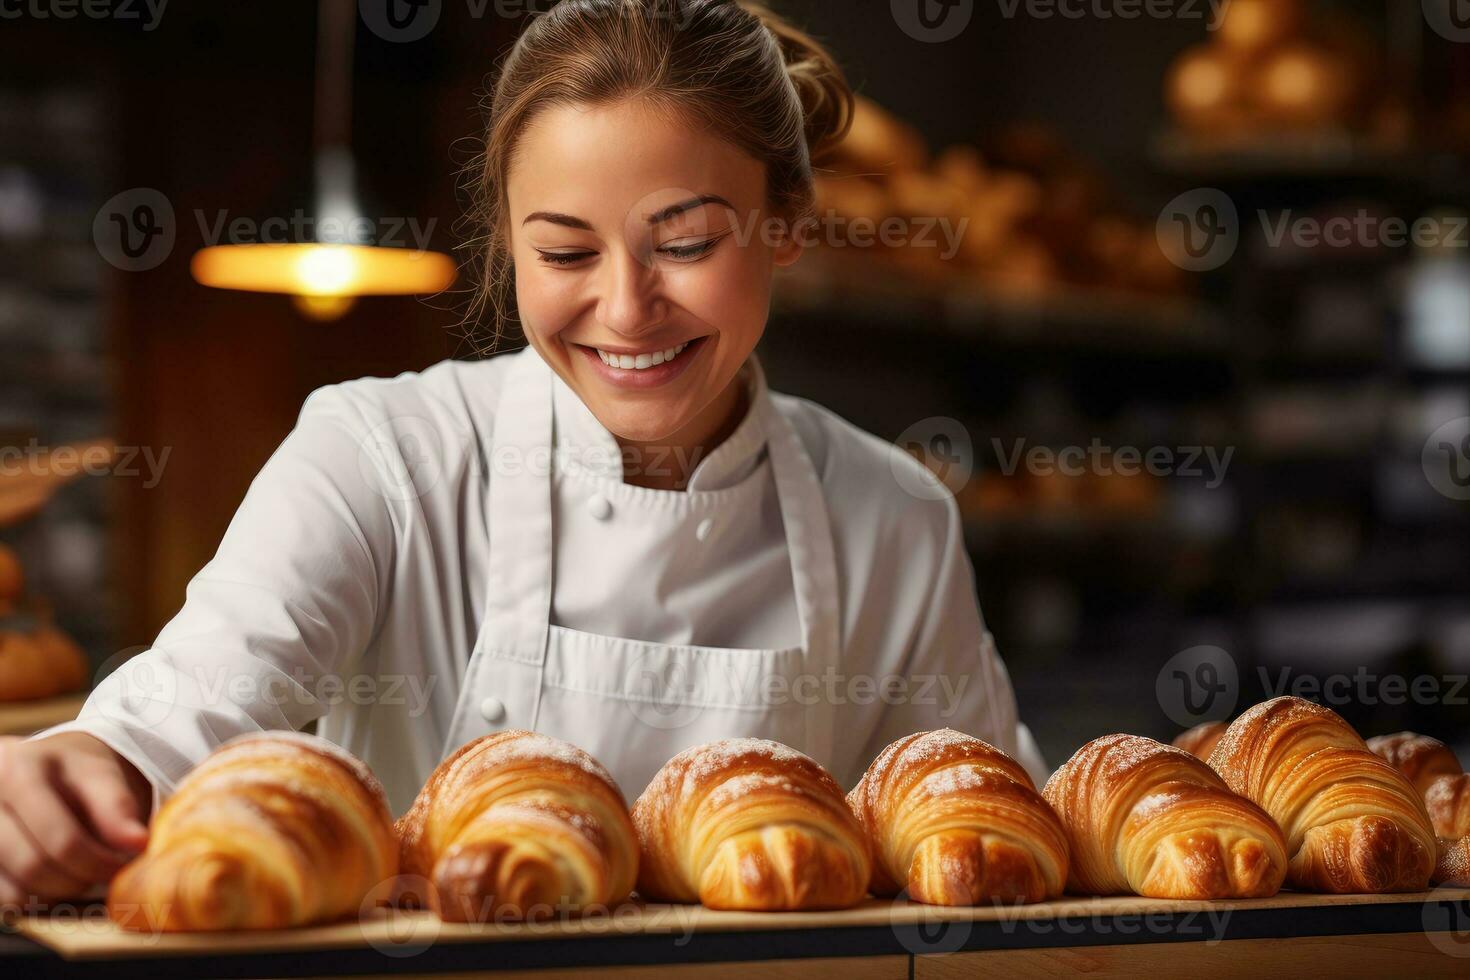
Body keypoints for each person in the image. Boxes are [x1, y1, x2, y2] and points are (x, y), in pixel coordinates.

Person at [0, 0, 1043, 905]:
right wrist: (90, 766)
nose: (627, 308)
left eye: (685, 243)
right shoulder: (382, 457)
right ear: (506, 243)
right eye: (565, 251)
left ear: (788, 224)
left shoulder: (895, 515)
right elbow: (197, 698)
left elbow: (987, 823)